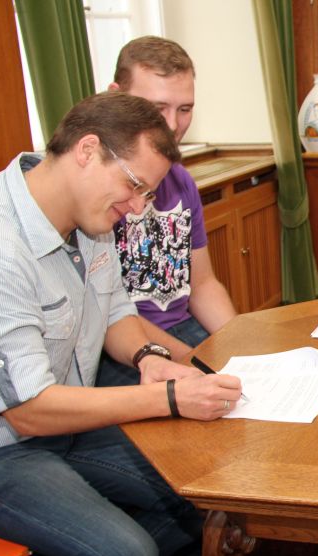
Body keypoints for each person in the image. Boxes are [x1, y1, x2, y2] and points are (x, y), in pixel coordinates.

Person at [0, 92, 244, 556]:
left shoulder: (89, 214)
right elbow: (27, 412)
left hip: (66, 422)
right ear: (87, 151)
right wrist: (167, 397)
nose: (139, 205)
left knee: (194, 487)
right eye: (135, 186)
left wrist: (148, 355)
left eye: (149, 192)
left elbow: (117, 312)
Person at [98, 36, 237, 387]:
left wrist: (239, 345)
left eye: (185, 109)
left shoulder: (181, 182)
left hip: (182, 326)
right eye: (156, 108)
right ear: (116, 96)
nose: (172, 125)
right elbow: (110, 316)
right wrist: (194, 363)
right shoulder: (96, 189)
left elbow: (203, 285)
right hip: (119, 349)